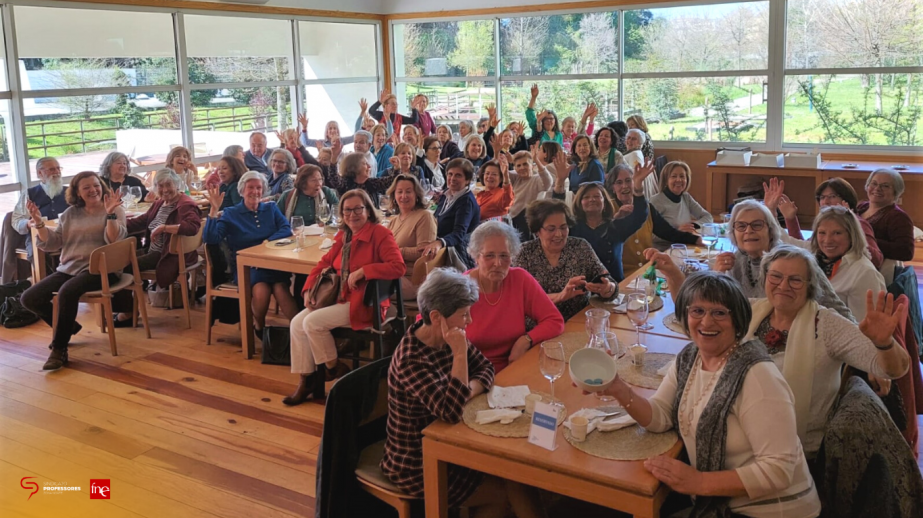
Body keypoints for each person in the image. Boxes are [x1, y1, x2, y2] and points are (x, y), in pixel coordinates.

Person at [596, 271, 822, 517]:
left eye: (719, 313)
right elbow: (660, 416)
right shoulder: (691, 357)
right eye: (697, 311)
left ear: (738, 320)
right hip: (722, 502)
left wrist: (700, 482)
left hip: (773, 510)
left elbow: (779, 469)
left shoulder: (756, 375)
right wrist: (618, 388)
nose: (706, 322)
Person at [381, 268, 548, 518]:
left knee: (515, 474)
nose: (469, 321)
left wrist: (465, 391)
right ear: (437, 316)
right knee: (505, 490)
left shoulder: (449, 335)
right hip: (417, 463)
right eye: (464, 314)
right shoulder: (412, 360)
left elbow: (486, 368)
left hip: (453, 440)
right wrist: (460, 356)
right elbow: (451, 412)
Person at [743, 246, 909, 457]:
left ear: (810, 286)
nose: (783, 286)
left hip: (795, 449)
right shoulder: (749, 311)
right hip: (741, 432)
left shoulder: (827, 325)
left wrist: (884, 344)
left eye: (795, 280)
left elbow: (895, 370)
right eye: (775, 276)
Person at [284, 190, 405, 405]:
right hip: (337, 297)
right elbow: (324, 263)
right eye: (347, 210)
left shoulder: (380, 234)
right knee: (297, 323)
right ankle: (307, 379)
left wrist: (364, 272)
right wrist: (308, 289)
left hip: (364, 302)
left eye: (358, 208)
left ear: (368, 210)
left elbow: (398, 267)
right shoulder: (344, 235)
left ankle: (333, 367)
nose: (353, 214)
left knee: (312, 323)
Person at [20, 171, 127, 371]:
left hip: (102, 269)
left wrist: (110, 213)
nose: (93, 190)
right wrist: (40, 223)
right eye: (86, 187)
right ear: (77, 192)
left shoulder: (113, 209)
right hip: (70, 267)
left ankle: (59, 349)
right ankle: (68, 327)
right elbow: (54, 243)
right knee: (29, 298)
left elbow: (114, 239)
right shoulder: (70, 214)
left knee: (67, 292)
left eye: (95, 185)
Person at [203, 171, 298, 338]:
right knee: (261, 290)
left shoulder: (270, 208)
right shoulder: (231, 213)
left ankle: (300, 332)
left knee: (281, 288)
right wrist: (213, 210)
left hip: (270, 263)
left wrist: (268, 241)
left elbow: (285, 228)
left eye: (259, 187)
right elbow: (211, 238)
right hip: (246, 267)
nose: (255, 191)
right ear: (242, 190)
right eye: (251, 187)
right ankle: (259, 326)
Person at [465, 221, 564, 371]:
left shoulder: (519, 279)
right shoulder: (460, 287)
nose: (498, 263)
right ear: (476, 257)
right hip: (471, 374)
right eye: (489, 255)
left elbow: (554, 320)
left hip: (514, 367)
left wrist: (526, 340)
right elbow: (426, 326)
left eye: (504, 255)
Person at [117, 169, 201, 325]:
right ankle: (127, 308)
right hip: (155, 250)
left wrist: (164, 227)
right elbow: (141, 221)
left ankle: (128, 313)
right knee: (117, 260)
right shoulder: (159, 203)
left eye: (168, 185)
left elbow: (192, 227)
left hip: (168, 255)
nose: (165, 190)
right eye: (160, 186)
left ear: (177, 184)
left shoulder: (185, 205)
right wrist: (113, 224)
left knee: (124, 267)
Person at [514, 198, 618, 322]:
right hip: (539, 327)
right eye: (551, 229)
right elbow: (519, 300)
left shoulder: (580, 247)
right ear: (537, 231)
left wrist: (608, 289)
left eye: (563, 227)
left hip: (579, 323)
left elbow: (608, 281)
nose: (559, 234)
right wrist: (560, 296)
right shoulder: (524, 253)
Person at [763, 177, 883, 269]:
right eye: (822, 197)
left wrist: (851, 221)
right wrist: (789, 218)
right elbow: (803, 249)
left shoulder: (859, 223)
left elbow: (876, 260)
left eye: (832, 196)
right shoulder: (824, 225)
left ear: (847, 199)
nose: (825, 201)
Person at [606, 163, 700, 276]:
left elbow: (669, 233)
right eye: (619, 182)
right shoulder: (607, 209)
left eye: (628, 181)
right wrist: (616, 219)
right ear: (612, 187)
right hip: (623, 275)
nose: (625, 186)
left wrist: (696, 240)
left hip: (648, 271)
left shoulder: (646, 207)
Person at [810, 206, 885, 321]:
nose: (828, 240)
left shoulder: (865, 273)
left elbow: (862, 327)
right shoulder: (816, 261)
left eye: (837, 233)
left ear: (852, 235)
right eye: (822, 233)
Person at [568, 180, 649, 282]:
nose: (592, 199)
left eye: (597, 196)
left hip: (614, 287)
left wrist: (638, 187)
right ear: (579, 203)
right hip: (582, 289)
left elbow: (640, 215)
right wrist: (560, 183)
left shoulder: (615, 227)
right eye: (586, 197)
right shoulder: (572, 228)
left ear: (604, 202)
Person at [421, 158, 481, 269]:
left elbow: (459, 234)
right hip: (439, 244)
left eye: (458, 175)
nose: (452, 178)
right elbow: (436, 219)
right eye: (450, 174)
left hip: (455, 253)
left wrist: (439, 243)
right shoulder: (446, 194)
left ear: (467, 180)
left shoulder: (466, 201)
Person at [385, 175, 437, 299]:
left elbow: (424, 254)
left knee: (366, 289)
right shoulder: (394, 221)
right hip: (392, 273)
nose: (404, 196)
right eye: (400, 192)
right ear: (394, 195)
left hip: (411, 280)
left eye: (408, 191)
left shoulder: (424, 217)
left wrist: (395, 252)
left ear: (417, 194)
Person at [857, 168, 914, 281]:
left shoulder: (898, 217)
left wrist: (866, 241)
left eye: (885, 186)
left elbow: (906, 252)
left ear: (896, 191)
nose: (877, 189)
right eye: (874, 183)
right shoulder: (861, 207)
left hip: (873, 271)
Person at [10, 157, 68, 262]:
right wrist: (28, 223)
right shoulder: (29, 194)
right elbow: (16, 220)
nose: (56, 172)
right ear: (39, 173)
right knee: (39, 251)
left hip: (65, 234)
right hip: (37, 236)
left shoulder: (69, 192)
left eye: (58, 168)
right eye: (51, 169)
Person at [650, 161, 712, 249]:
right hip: (664, 250)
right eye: (674, 176)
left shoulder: (686, 197)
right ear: (666, 180)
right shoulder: (656, 201)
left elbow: (708, 216)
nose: (679, 180)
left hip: (686, 245)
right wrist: (676, 233)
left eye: (682, 176)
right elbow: (650, 235)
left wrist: (694, 226)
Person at [508, 147, 553, 240]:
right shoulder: (516, 178)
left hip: (528, 221)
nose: (522, 168)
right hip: (511, 218)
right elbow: (501, 172)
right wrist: (496, 153)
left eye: (525, 164)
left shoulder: (536, 179)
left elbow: (548, 182)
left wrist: (536, 160)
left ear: (532, 165)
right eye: (518, 166)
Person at [326, 152, 397, 205]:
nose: (369, 167)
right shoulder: (345, 183)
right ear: (354, 167)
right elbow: (333, 178)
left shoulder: (371, 183)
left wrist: (397, 168)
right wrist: (334, 158)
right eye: (365, 164)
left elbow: (393, 181)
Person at [475, 157, 514, 222]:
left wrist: (506, 177)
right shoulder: (480, 194)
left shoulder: (500, 194)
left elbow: (508, 199)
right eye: (487, 173)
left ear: (501, 178)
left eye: (494, 174)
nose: (489, 176)